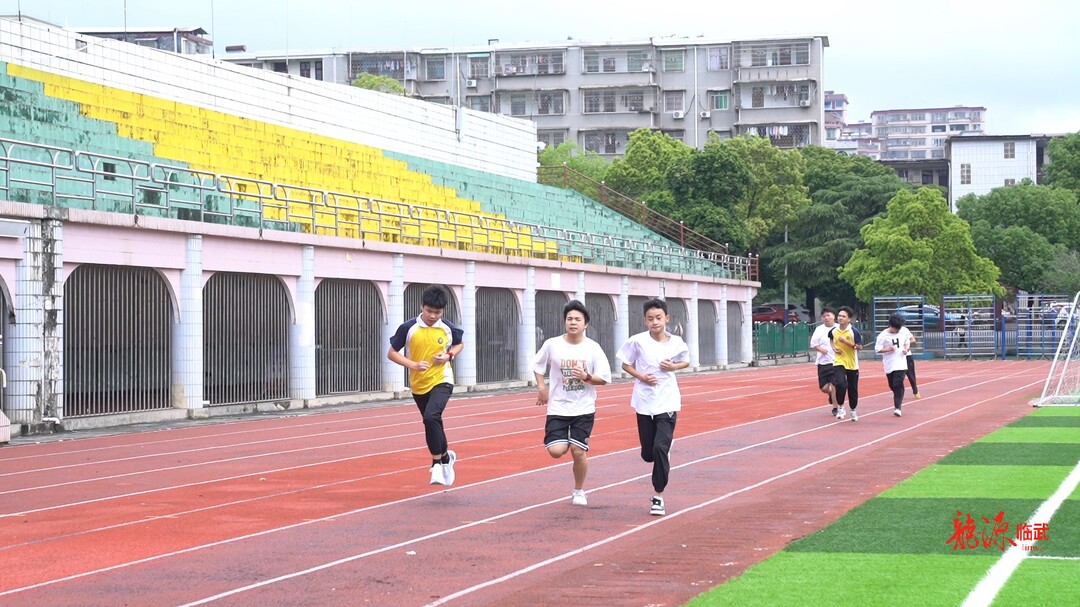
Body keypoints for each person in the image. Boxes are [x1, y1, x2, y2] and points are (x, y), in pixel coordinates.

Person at [533, 299, 612, 506]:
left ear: (586, 324)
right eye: (569, 319)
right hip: (558, 406)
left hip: (583, 407)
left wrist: (586, 376)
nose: (573, 322)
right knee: (556, 452)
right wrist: (542, 388)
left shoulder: (593, 348)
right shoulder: (552, 344)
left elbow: (603, 378)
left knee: (578, 452)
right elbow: (538, 366)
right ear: (564, 322)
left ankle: (579, 490)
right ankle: (569, 440)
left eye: (578, 319)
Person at [616, 298, 690, 516]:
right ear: (645, 320)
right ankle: (660, 453)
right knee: (648, 454)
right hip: (644, 401)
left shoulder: (676, 342)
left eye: (658, 318)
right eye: (650, 319)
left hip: (667, 400)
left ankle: (658, 496)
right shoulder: (637, 341)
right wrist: (641, 377)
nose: (655, 322)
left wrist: (673, 366)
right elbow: (625, 363)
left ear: (666, 319)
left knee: (660, 448)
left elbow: (686, 360)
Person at [388, 285, 464, 486]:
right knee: (433, 421)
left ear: (443, 311)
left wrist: (448, 355)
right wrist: (413, 364)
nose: (432, 315)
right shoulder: (408, 328)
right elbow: (392, 353)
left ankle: (437, 463)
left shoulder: (447, 327)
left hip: (442, 379)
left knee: (431, 417)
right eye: (429, 311)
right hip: (419, 384)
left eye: (437, 312)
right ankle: (446, 456)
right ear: (422, 307)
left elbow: (459, 344)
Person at [875, 314, 913, 417]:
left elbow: (907, 342)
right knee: (892, 385)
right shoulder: (883, 335)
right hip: (889, 363)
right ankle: (899, 395)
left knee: (897, 383)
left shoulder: (903, 332)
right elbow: (877, 349)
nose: (897, 330)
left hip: (901, 363)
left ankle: (897, 407)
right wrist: (888, 349)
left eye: (899, 328)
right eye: (896, 328)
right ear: (890, 325)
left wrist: (906, 349)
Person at [829, 306, 862, 422]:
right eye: (839, 316)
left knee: (852, 389)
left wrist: (847, 342)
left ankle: (853, 410)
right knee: (841, 384)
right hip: (839, 361)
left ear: (849, 319)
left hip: (852, 364)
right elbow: (831, 338)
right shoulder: (834, 330)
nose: (840, 318)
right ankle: (841, 407)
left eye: (843, 316)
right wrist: (834, 348)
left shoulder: (854, 331)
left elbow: (859, 347)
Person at [809, 307, 839, 416]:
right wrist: (821, 349)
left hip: (836, 362)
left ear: (834, 316)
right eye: (824, 316)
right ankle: (832, 394)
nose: (826, 318)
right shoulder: (819, 329)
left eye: (828, 315)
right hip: (823, 362)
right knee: (824, 388)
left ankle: (835, 408)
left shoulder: (839, 328)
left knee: (835, 385)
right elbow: (813, 343)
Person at [905, 332, 921, 398]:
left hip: (907, 356)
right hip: (895, 358)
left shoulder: (904, 330)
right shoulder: (887, 333)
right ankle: (898, 392)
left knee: (911, 375)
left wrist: (905, 344)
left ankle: (915, 391)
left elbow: (913, 340)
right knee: (897, 377)